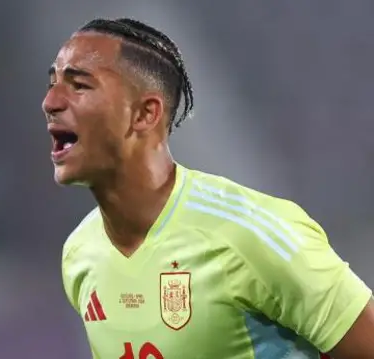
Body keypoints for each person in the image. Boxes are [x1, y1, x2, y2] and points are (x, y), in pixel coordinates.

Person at [43, 18, 374, 358]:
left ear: (144, 114)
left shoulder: (249, 234)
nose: (50, 102)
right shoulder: (80, 254)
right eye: (52, 83)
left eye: (79, 86)